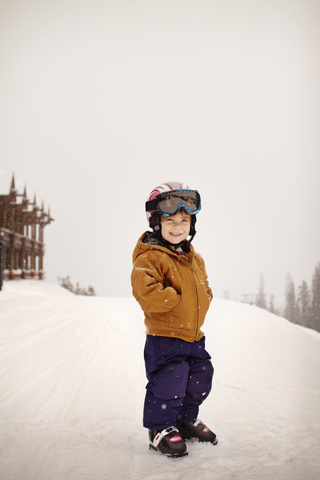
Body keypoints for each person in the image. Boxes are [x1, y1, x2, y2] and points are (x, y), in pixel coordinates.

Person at [131, 182, 217, 458]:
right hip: (165, 338)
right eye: (170, 220)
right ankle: (160, 428)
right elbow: (145, 290)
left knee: (200, 377)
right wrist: (177, 301)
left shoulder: (193, 257)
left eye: (184, 220)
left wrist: (205, 296)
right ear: (157, 223)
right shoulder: (151, 255)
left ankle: (184, 419)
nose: (178, 226)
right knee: (170, 380)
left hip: (193, 335)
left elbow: (204, 286)